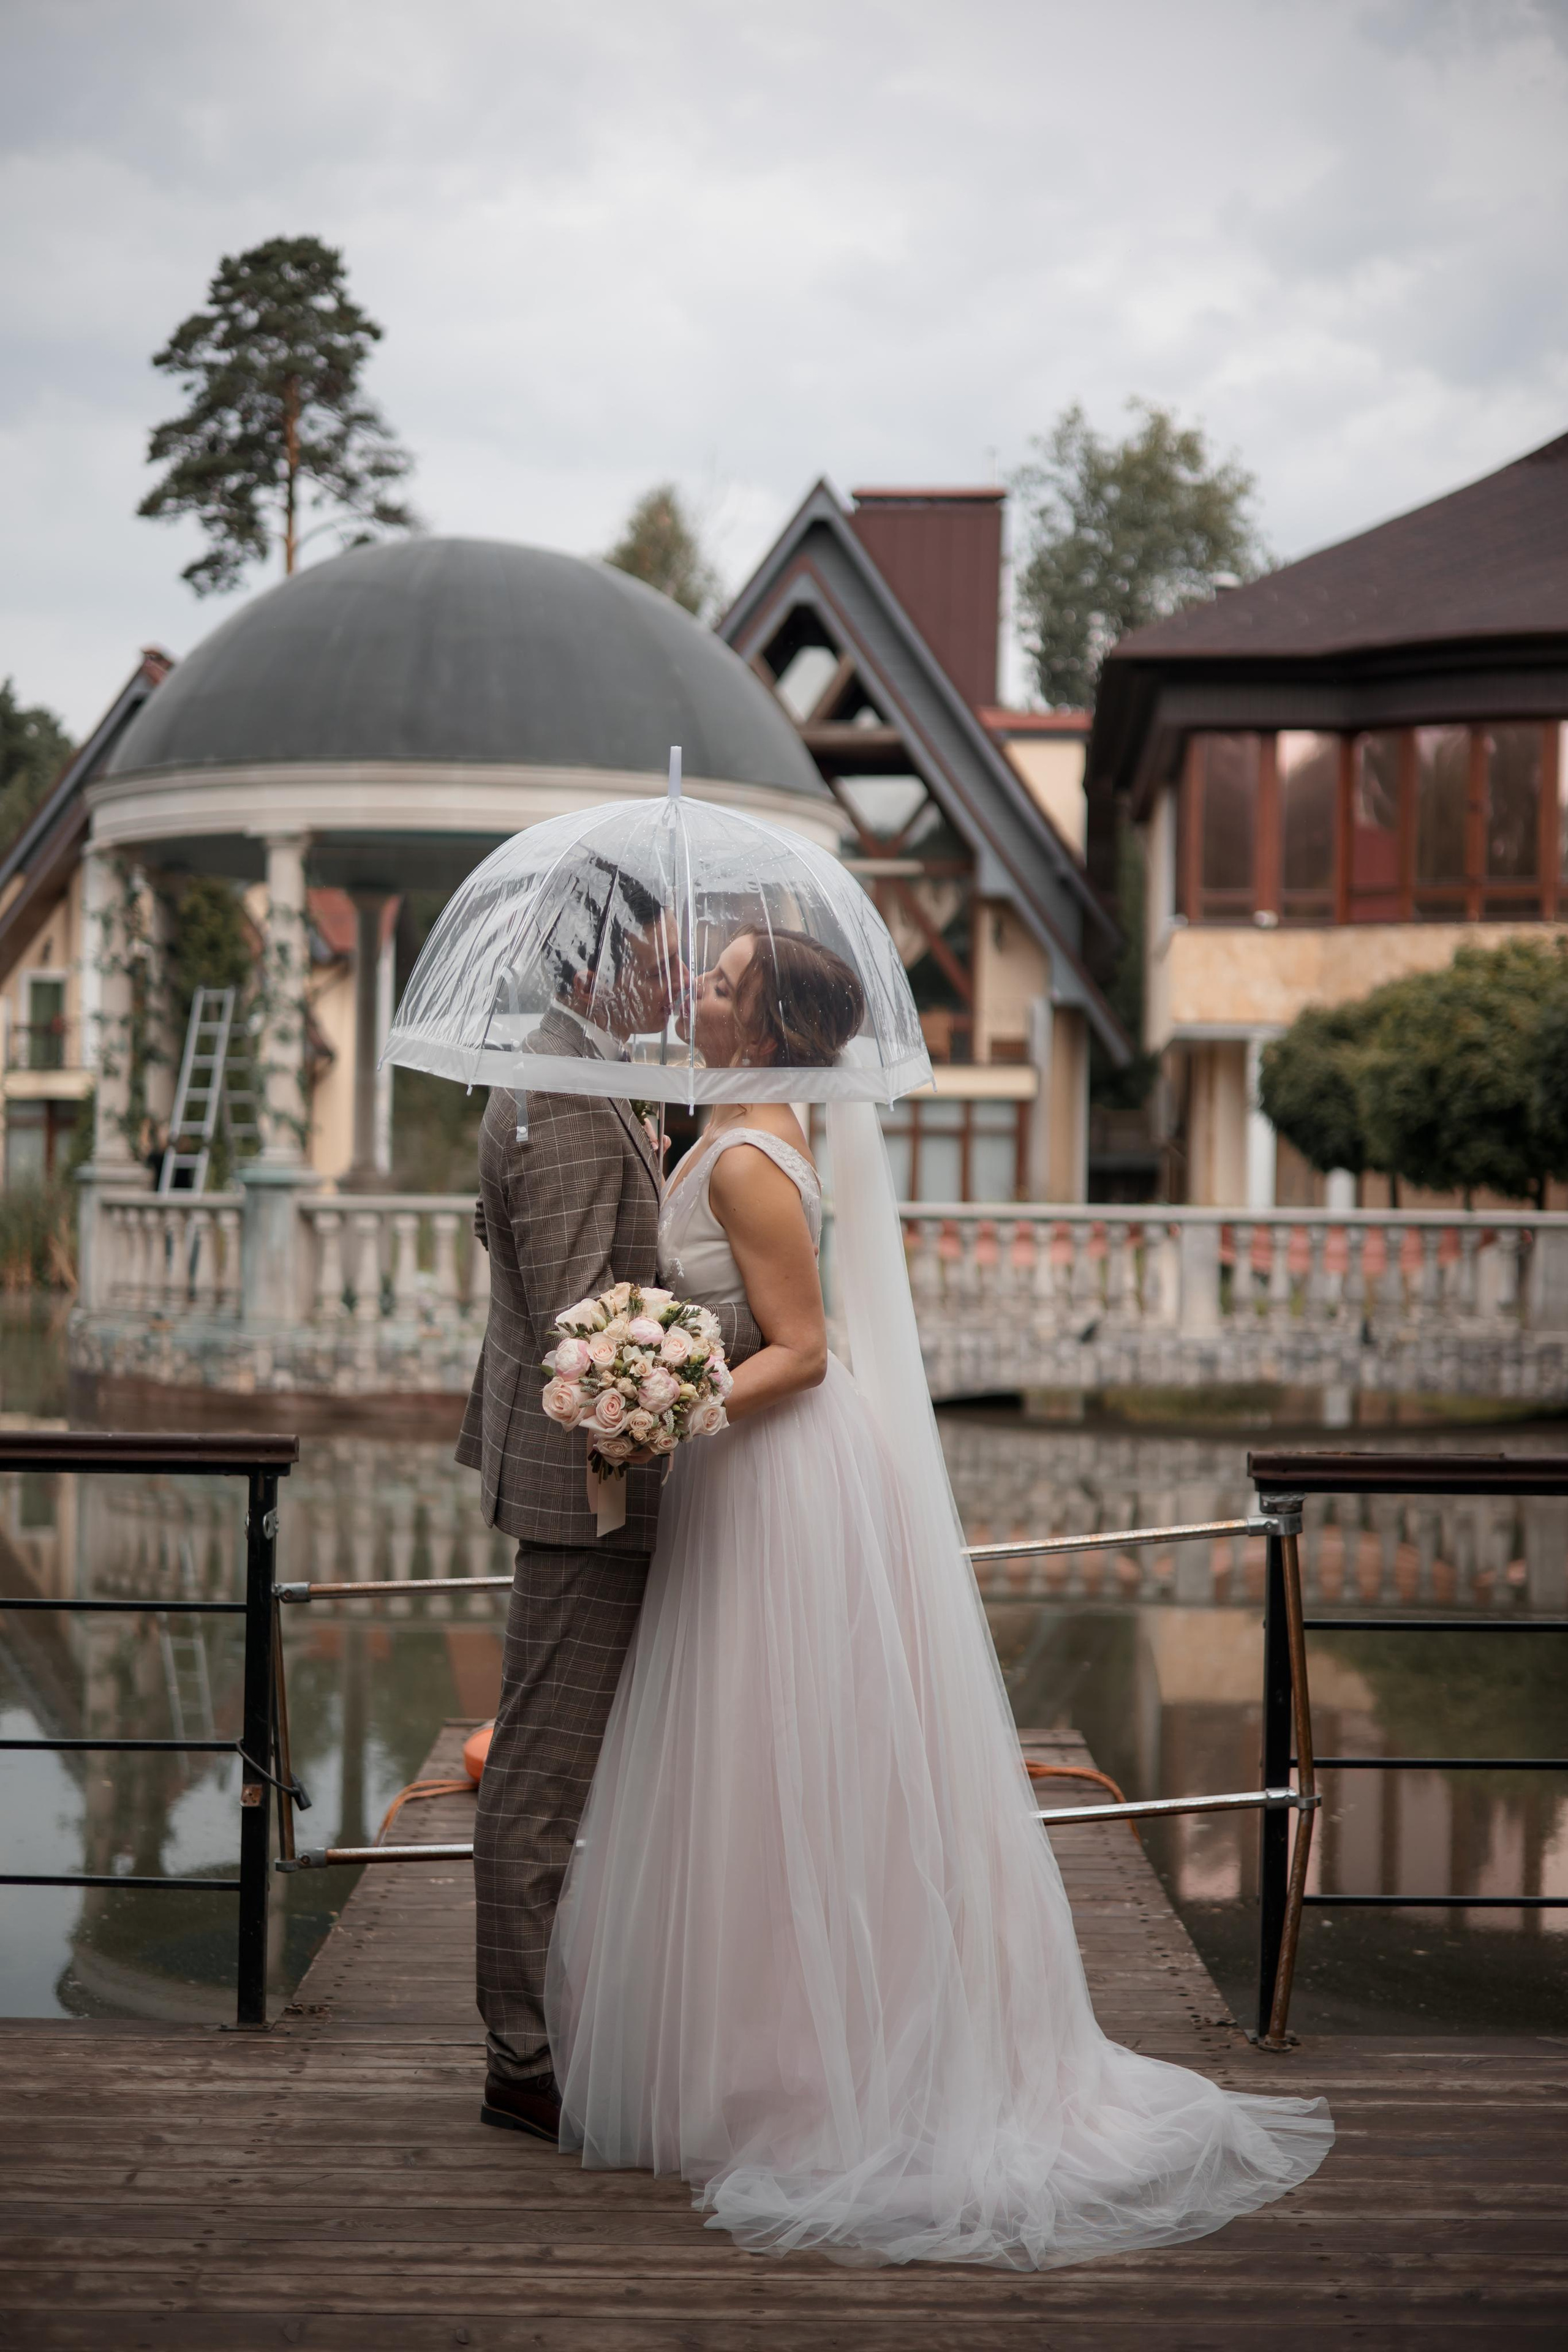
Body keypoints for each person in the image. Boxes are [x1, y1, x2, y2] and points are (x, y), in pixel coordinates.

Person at [545, 923, 1333, 2269]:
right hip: (764, 1474)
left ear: (773, 1027)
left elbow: (796, 1350)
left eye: (724, 985)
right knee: (770, 1761)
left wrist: (662, 1405)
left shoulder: (744, 1156)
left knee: (780, 1758)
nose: (702, 996)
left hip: (776, 1469)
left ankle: (811, 2071)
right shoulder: (742, 1124)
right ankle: (769, 2050)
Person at [457, 862, 760, 2144]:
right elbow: (597, 1343)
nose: (670, 972)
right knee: (541, 1780)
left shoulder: (571, 1077)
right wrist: (714, 1355)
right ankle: (522, 2059)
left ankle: (580, 2021)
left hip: (591, 1485)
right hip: (591, 1497)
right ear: (593, 961)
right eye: (652, 951)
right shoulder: (570, 1099)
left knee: (589, 1770)